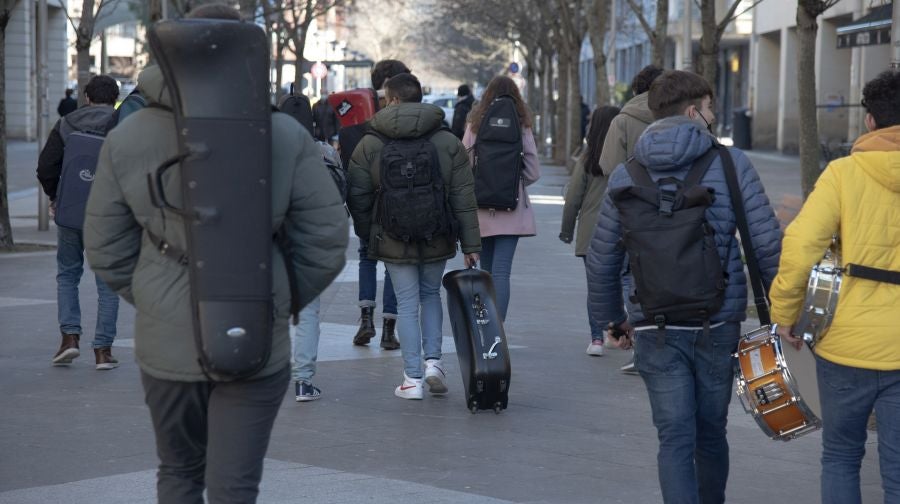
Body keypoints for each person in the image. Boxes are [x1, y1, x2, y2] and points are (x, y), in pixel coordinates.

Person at [82, 4, 348, 502]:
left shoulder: (128, 136)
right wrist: (277, 298)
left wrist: (158, 296)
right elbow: (327, 239)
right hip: (257, 334)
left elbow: (104, 244)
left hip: (166, 339)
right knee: (236, 484)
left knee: (179, 472)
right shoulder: (286, 135)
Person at [587, 70, 781, 504]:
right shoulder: (730, 163)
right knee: (710, 432)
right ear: (695, 111)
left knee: (674, 435)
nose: (713, 117)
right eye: (711, 108)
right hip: (717, 320)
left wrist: (613, 320)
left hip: (654, 323)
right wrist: (784, 313)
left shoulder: (626, 174)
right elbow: (766, 243)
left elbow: (602, 258)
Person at [769, 70, 900, 504]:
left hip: (847, 343)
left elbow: (801, 245)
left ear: (869, 121)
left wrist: (785, 314)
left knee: (842, 456)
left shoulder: (843, 174)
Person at [347, 72, 481, 400]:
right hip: (438, 232)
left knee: (406, 303)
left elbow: (358, 196)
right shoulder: (448, 141)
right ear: (420, 97)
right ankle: (434, 362)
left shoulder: (370, 142)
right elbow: (464, 195)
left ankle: (412, 379)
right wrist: (471, 244)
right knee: (430, 295)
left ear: (392, 100)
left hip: (392, 235)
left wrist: (369, 234)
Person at [37, 75, 121, 370]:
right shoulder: (123, 125)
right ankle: (103, 351)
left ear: (87, 97)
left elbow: (45, 167)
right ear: (115, 99)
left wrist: (55, 197)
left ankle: (69, 339)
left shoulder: (65, 124)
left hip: (70, 212)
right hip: (109, 217)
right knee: (108, 283)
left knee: (68, 274)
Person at [598, 64, 663, 373]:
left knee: (630, 275)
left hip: (631, 210)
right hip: (672, 210)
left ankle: (641, 345)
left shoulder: (623, 120)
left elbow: (608, 165)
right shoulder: (681, 119)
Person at [345, 59, 412, 350]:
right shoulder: (405, 116)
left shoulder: (358, 114)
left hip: (366, 200)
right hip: (398, 201)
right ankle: (388, 330)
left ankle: (366, 320)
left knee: (366, 258)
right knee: (394, 263)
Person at [462, 75, 540, 322]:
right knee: (502, 272)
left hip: (481, 209)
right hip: (511, 208)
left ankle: (485, 327)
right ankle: (498, 332)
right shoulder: (521, 124)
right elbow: (534, 170)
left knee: (485, 271)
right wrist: (514, 183)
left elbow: (464, 163)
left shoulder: (475, 123)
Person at [559, 105, 620, 356]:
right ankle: (617, 333)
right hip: (620, 230)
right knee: (620, 284)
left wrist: (567, 230)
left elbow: (573, 198)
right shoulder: (626, 156)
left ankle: (596, 339)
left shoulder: (587, 158)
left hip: (591, 233)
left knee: (596, 288)